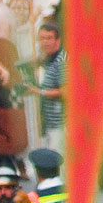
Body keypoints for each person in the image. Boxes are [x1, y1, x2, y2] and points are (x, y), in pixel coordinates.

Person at [31, 21, 66, 154]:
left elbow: (67, 91)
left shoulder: (62, 61)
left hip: (59, 125)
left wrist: (40, 92)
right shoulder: (46, 59)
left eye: (49, 38)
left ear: (58, 40)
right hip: (46, 124)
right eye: (42, 38)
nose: (45, 42)